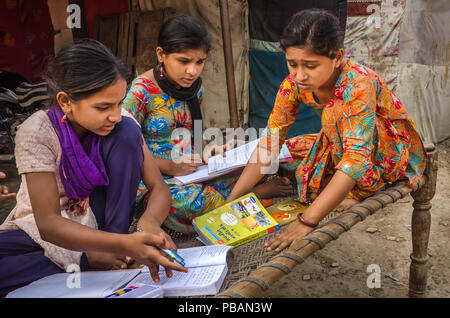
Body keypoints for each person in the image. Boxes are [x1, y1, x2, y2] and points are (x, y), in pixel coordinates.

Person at [226, 9, 426, 252]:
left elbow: (355, 159)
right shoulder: (293, 85)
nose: (299, 74)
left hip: (386, 149)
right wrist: (232, 200)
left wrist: (307, 220)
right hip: (343, 141)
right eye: (292, 64)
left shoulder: (358, 85)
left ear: (338, 57)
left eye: (310, 66)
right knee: (292, 150)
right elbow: (270, 142)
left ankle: (362, 189)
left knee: (334, 118)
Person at [0, 40, 187, 297]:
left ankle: (106, 254)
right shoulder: (36, 132)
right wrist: (126, 245)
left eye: (119, 103)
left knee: (127, 132)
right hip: (42, 229)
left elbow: (158, 188)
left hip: (101, 223)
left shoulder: (121, 126)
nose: (115, 115)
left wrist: (148, 226)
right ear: (65, 101)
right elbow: (48, 224)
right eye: (103, 107)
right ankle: (99, 257)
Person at [123, 15, 293, 234]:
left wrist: (206, 150)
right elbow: (125, 154)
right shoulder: (140, 93)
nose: (192, 71)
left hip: (193, 169)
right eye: (184, 61)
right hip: (154, 178)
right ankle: (253, 196)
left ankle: (235, 197)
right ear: (161, 55)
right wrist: (171, 166)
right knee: (184, 205)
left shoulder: (194, 87)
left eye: (199, 62)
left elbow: (195, 131)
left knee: (251, 163)